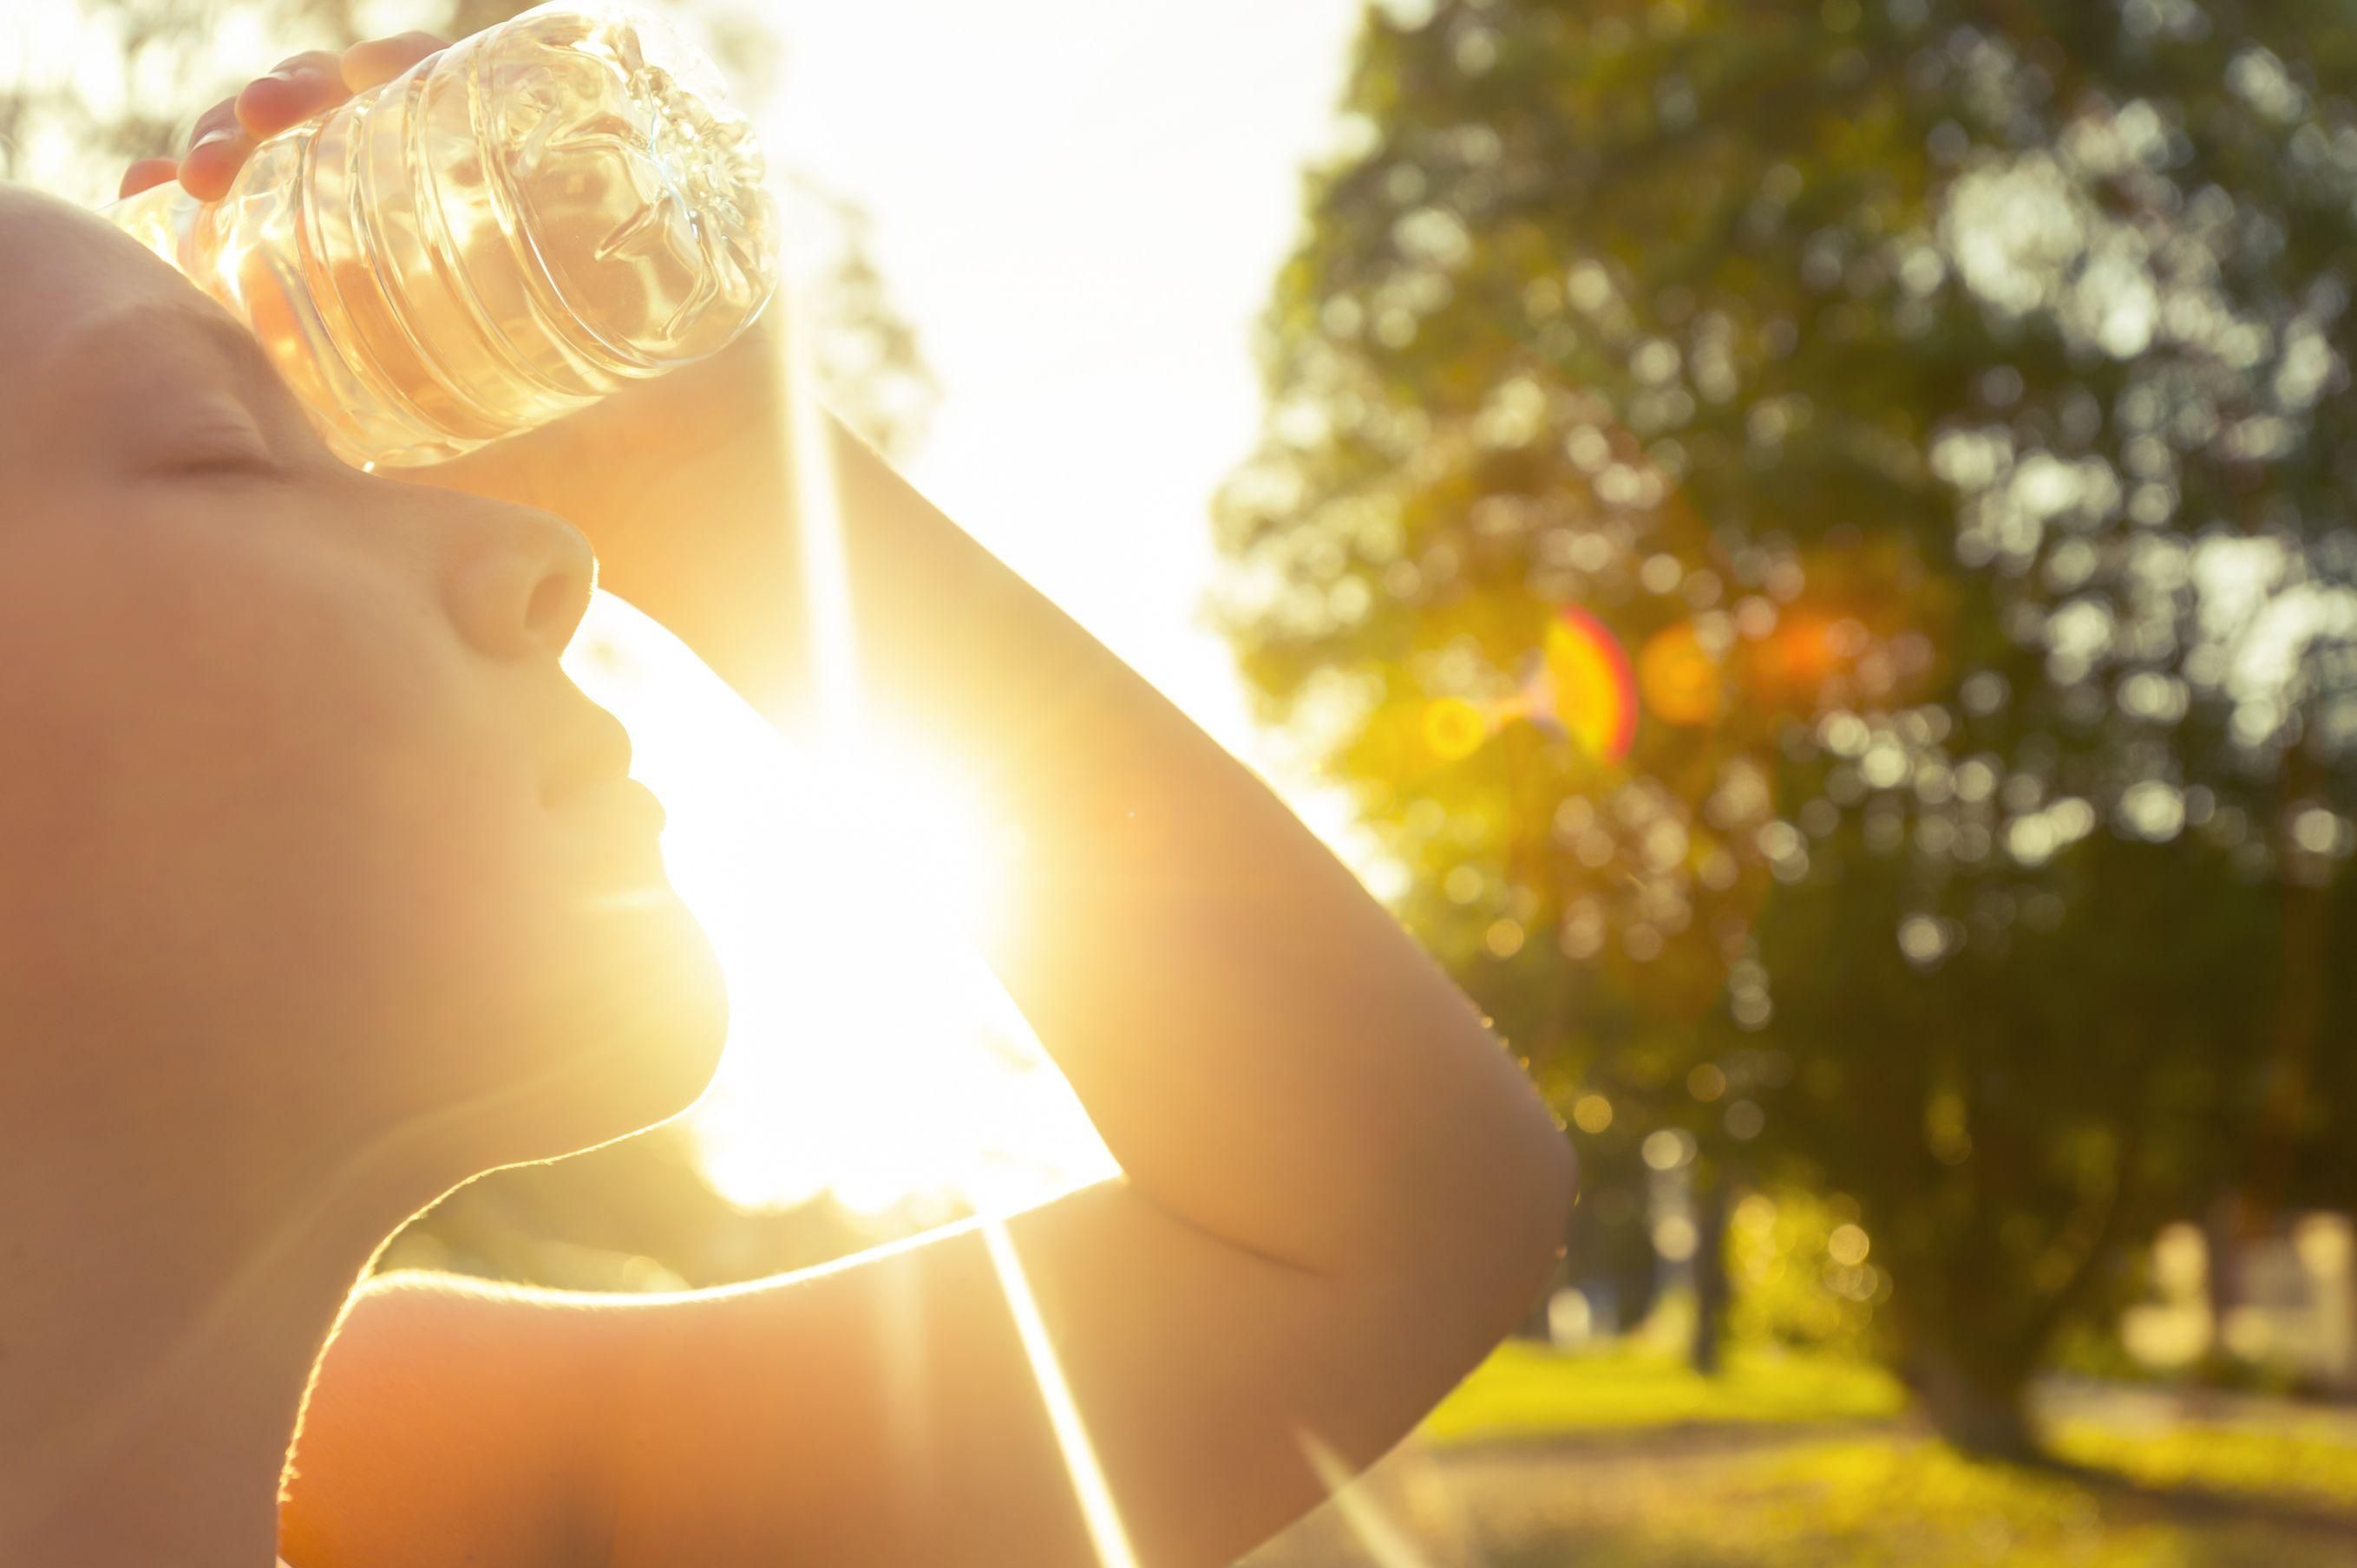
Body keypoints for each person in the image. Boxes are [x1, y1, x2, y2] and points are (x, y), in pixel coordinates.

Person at [0, 28, 1575, 1568]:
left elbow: (1398, 1214)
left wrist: (709, 472)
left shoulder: (390, 1485)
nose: (550, 564)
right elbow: (1382, 1235)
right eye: (217, 451)